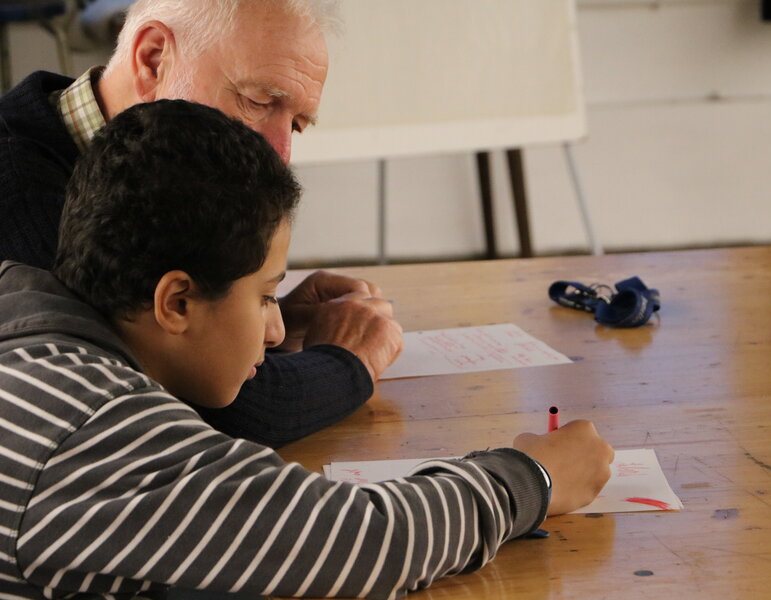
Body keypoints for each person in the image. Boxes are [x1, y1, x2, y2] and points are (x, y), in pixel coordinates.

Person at [0, 99, 615, 599]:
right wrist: (531, 478)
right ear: (177, 303)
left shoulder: (33, 346)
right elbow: (370, 542)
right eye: (267, 296)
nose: (274, 331)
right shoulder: (97, 429)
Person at [0, 0, 401, 447]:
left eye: (298, 126)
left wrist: (256, 317)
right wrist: (350, 360)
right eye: (258, 101)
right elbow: (203, 408)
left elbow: (150, 342)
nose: (279, 155)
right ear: (153, 58)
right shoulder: (21, 193)